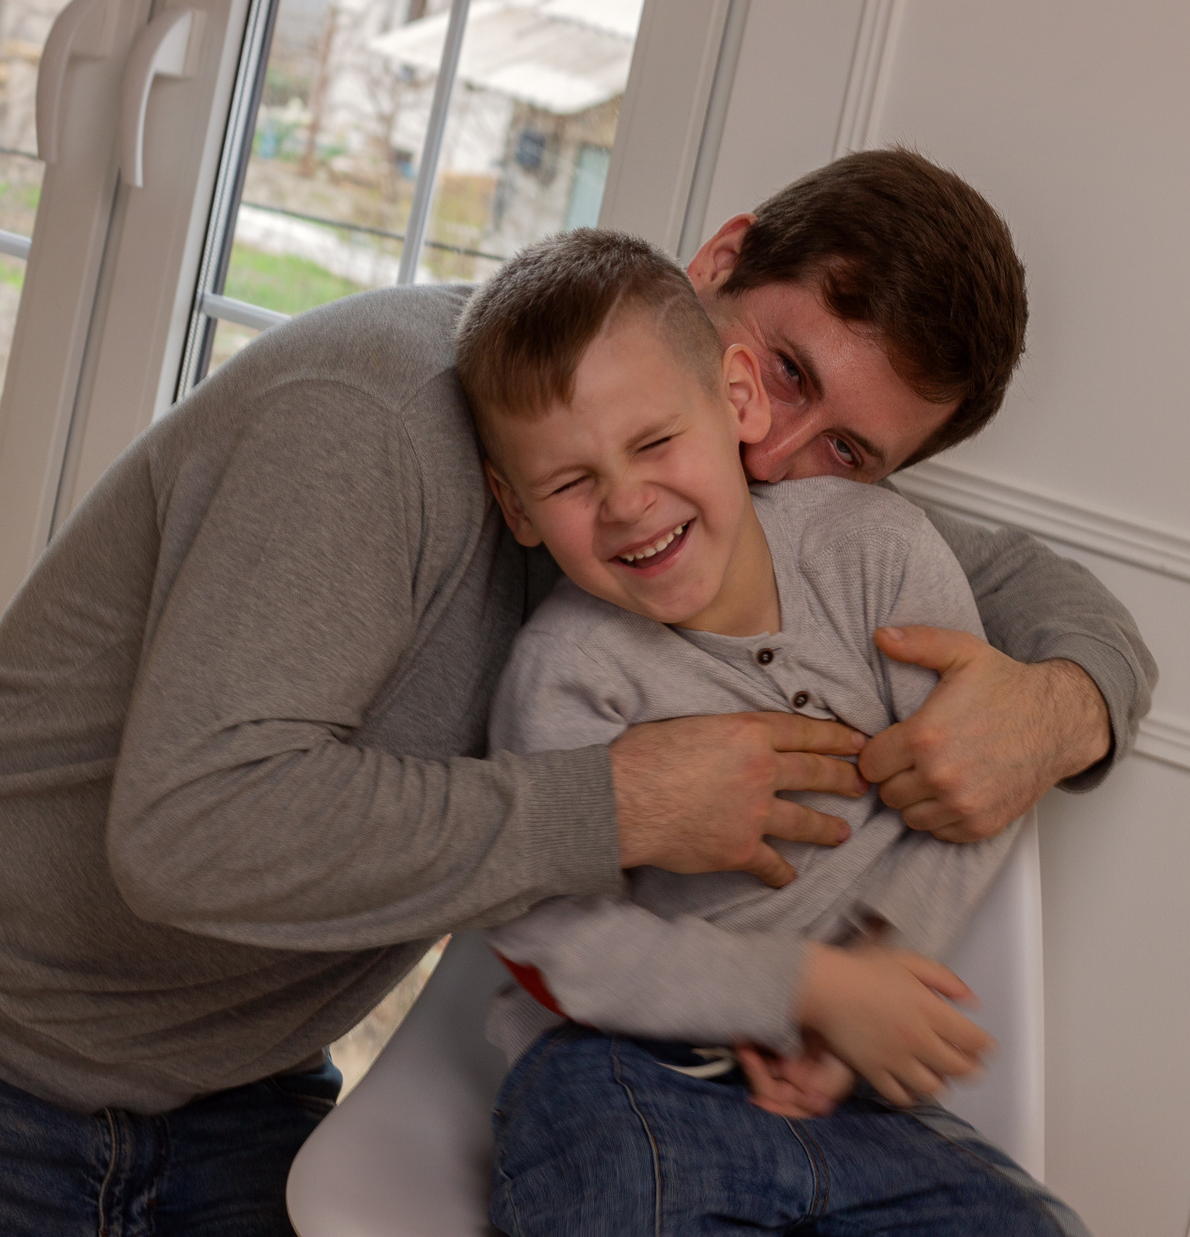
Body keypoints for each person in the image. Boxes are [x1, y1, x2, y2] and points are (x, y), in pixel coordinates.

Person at [0, 149, 1152, 1234]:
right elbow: (188, 831)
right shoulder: (379, 420)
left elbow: (1029, 582)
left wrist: (1059, 707)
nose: (770, 448)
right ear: (720, 264)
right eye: (784, 371)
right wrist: (615, 806)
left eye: (849, 451)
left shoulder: (766, 496)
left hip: (226, 1089)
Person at [465, 229, 1085, 1236]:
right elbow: (551, 936)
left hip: (852, 1091)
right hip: (623, 1066)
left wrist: (876, 975)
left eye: (654, 443)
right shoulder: (568, 671)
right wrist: (807, 986)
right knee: (632, 1200)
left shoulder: (875, 553)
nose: (627, 502)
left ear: (735, 399)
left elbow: (980, 776)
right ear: (518, 507)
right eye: (570, 482)